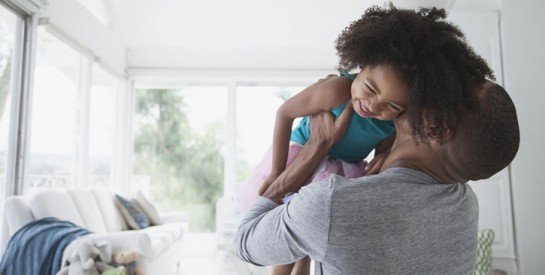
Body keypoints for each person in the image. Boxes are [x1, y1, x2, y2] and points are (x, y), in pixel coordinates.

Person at [236, 4, 494, 274]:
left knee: (306, 248)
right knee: (287, 244)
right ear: (362, 64)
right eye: (370, 88)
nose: (373, 106)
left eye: (392, 106)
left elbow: (382, 156)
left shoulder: (390, 126)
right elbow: (285, 112)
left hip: (338, 167)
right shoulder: (338, 90)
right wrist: (277, 173)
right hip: (301, 154)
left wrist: (381, 158)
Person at [235, 77, 520, 274]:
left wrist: (315, 149)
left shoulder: (333, 203)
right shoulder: (465, 206)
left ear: (436, 128)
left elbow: (246, 241)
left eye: (445, 88)